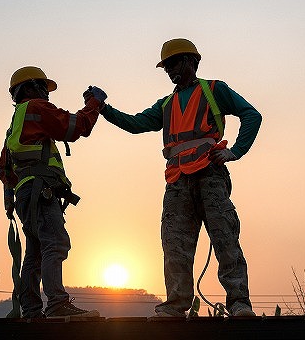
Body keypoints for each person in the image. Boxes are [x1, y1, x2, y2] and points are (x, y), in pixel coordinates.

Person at [97, 39, 261, 318]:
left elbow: (251, 114)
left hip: (210, 174)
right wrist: (103, 108)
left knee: (225, 237)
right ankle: (176, 304)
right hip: (177, 181)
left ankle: (239, 302)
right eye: (167, 66)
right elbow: (136, 124)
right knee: (174, 243)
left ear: (191, 62)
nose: (170, 70)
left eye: (174, 63)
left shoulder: (214, 90)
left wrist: (235, 152)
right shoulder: (167, 104)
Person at [0, 66, 106, 319]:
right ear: (31, 87)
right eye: (44, 87)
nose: (47, 93)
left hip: (27, 194)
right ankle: (57, 303)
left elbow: (4, 168)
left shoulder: (15, 124)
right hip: (40, 192)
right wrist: (94, 103)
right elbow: (75, 127)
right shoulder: (36, 107)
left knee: (35, 251)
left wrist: (14, 195)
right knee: (55, 243)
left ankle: (32, 310)